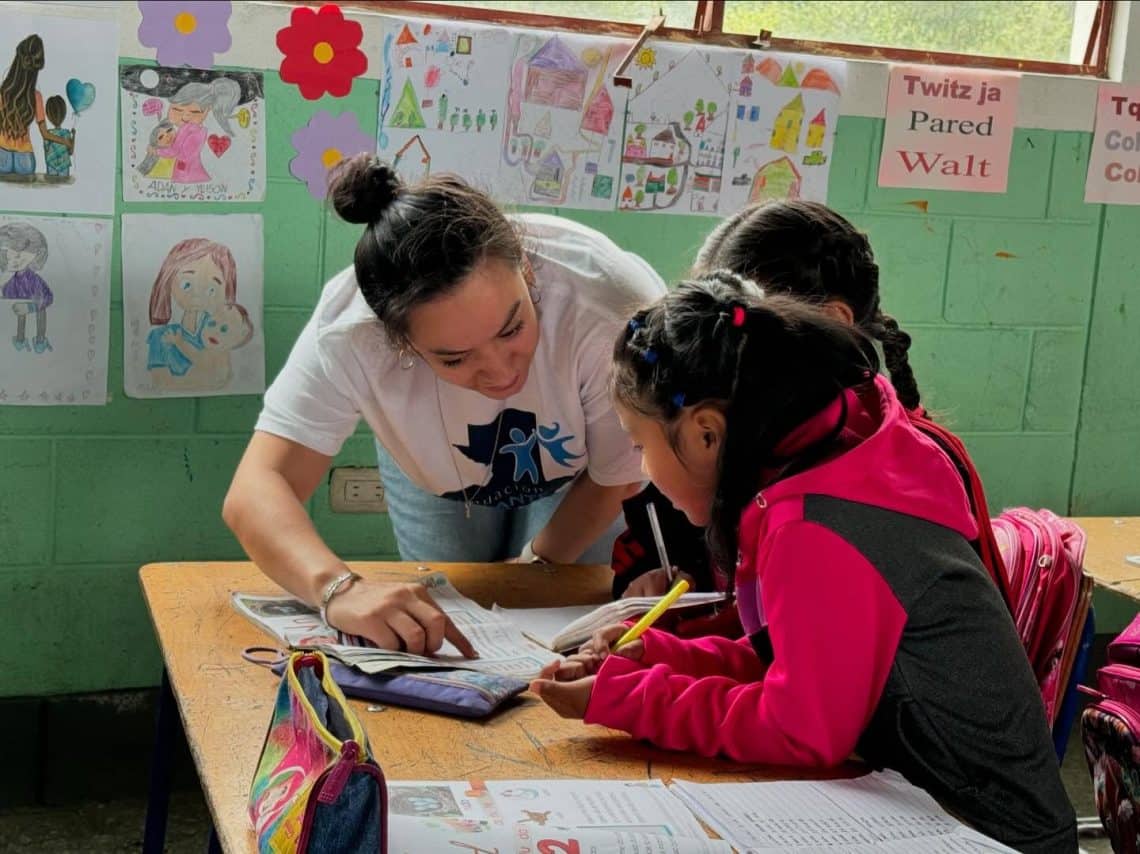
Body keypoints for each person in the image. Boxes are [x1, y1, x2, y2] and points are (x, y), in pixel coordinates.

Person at [531, 273, 1076, 853]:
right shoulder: (829, 476)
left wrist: (626, 699)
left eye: (641, 445)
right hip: (923, 803)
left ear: (706, 435)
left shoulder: (817, 528)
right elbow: (803, 662)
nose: (641, 470)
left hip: (983, 835)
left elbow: (801, 729)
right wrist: (662, 655)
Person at [223, 153, 664, 655]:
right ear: (398, 341)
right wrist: (338, 589)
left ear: (526, 268)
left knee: (570, 620)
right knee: (448, 623)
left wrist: (532, 570)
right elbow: (257, 488)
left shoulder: (605, 300)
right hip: (442, 475)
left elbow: (618, 474)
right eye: (454, 359)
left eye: (513, 328)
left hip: (588, 468)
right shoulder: (350, 333)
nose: (501, 373)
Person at [615, 200, 1011, 616]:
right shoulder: (719, 440)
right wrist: (654, 581)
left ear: (834, 322)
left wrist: (662, 668)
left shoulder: (866, 478)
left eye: (745, 333)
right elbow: (657, 541)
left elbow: (799, 657)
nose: (715, 356)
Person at [0, 34, 45, 179]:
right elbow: (44, 134)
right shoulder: (36, 97)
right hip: (25, 159)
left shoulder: (3, 93)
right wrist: (64, 140)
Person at [40, 95, 75, 179]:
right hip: (64, 166)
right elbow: (71, 152)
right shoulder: (67, 133)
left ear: (49, 115)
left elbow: (46, 151)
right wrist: (74, 136)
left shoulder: (47, 134)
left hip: (51, 165)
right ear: (64, 113)